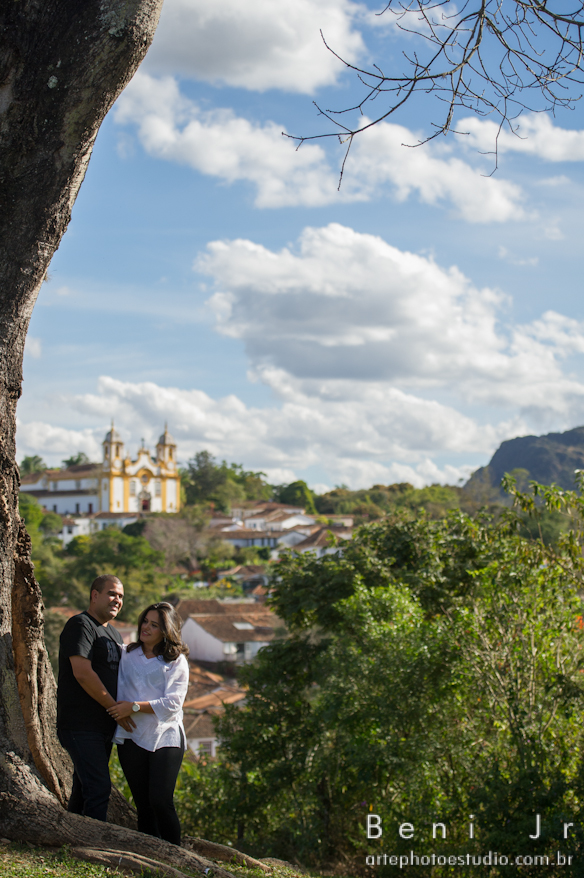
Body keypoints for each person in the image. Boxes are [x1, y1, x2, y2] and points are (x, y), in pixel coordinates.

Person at [108, 601, 189, 845]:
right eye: (145, 621)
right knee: (143, 803)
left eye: (154, 625)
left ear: (166, 631)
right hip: (131, 736)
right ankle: (150, 854)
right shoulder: (126, 653)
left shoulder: (175, 662)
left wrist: (132, 707)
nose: (146, 627)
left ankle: (176, 854)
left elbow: (173, 703)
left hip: (166, 736)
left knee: (161, 801)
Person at [57, 574, 135, 821]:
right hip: (80, 725)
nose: (117, 600)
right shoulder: (81, 625)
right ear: (95, 595)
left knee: (83, 787)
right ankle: (95, 845)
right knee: (99, 788)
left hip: (103, 726)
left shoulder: (114, 635)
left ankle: (74, 840)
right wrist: (114, 708)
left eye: (121, 596)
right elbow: (82, 673)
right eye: (112, 594)